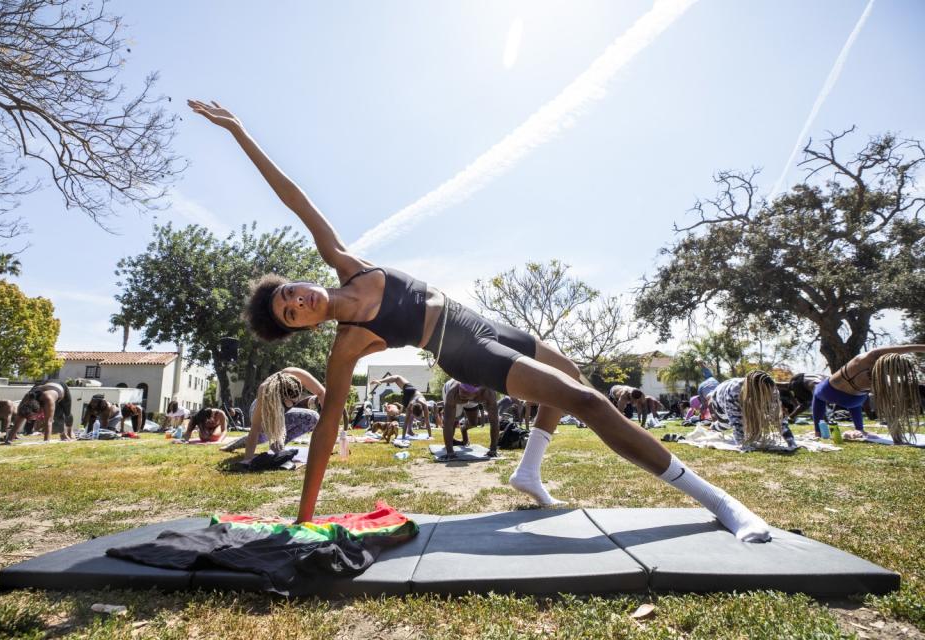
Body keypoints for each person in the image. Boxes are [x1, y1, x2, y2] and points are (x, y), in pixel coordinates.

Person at [190, 99, 772, 542]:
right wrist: (305, 518)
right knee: (588, 403)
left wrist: (240, 131)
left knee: (571, 371)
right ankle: (717, 501)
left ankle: (529, 472)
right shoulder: (345, 348)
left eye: (291, 293)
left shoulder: (347, 264)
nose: (297, 303)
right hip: (465, 350)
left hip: (480, 318)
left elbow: (294, 197)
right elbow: (325, 428)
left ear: (303, 281)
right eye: (290, 314)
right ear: (301, 328)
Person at [813, 346, 925, 443]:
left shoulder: (867, 361)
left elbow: (908, 348)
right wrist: (897, 439)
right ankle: (858, 428)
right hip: (848, 398)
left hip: (832, 393)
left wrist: (921, 347)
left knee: (818, 396)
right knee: (854, 402)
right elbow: (888, 408)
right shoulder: (876, 375)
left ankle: (819, 431)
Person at [226, 368, 334, 462]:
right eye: (289, 403)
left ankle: (278, 446)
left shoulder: (296, 374)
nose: (292, 406)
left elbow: (321, 392)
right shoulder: (265, 391)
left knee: (313, 418)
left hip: (278, 415)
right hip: (263, 410)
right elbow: (254, 429)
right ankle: (243, 443)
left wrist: (328, 426)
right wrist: (248, 459)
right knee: (260, 431)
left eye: (294, 402)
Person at [709, 371, 797, 447]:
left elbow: (779, 418)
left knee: (757, 419)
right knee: (725, 425)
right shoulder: (734, 391)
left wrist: (790, 441)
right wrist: (742, 444)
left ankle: (754, 434)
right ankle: (713, 428)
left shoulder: (773, 391)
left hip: (745, 397)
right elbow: (737, 422)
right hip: (719, 397)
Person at [440, 379, 500, 458]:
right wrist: (450, 452)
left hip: (473, 395)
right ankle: (451, 445)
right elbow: (447, 422)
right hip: (451, 391)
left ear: (476, 393)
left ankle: (463, 429)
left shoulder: (489, 393)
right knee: (453, 420)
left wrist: (493, 449)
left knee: (474, 423)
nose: (461, 397)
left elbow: (495, 421)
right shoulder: (453, 392)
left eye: (464, 396)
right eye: (461, 394)